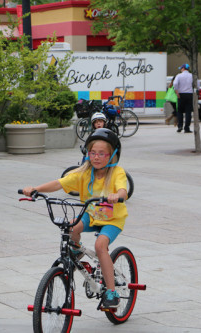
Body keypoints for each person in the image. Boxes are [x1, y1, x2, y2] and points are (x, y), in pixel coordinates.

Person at [22, 128, 128, 309]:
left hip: (112, 219)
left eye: (102, 154)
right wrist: (36, 189)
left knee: (100, 245)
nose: (96, 157)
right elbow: (59, 183)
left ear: (112, 155)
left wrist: (117, 195)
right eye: (93, 153)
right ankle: (77, 250)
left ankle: (111, 292)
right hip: (91, 215)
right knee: (70, 228)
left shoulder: (117, 173)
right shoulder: (85, 173)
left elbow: (123, 191)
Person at [173, 64, 199, 133]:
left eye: (181, 68)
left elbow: (175, 84)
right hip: (189, 94)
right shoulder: (192, 76)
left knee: (180, 111)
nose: (180, 69)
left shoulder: (179, 75)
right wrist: (196, 91)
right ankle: (187, 127)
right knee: (188, 112)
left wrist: (177, 92)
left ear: (183, 68)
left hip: (181, 95)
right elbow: (198, 84)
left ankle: (180, 126)